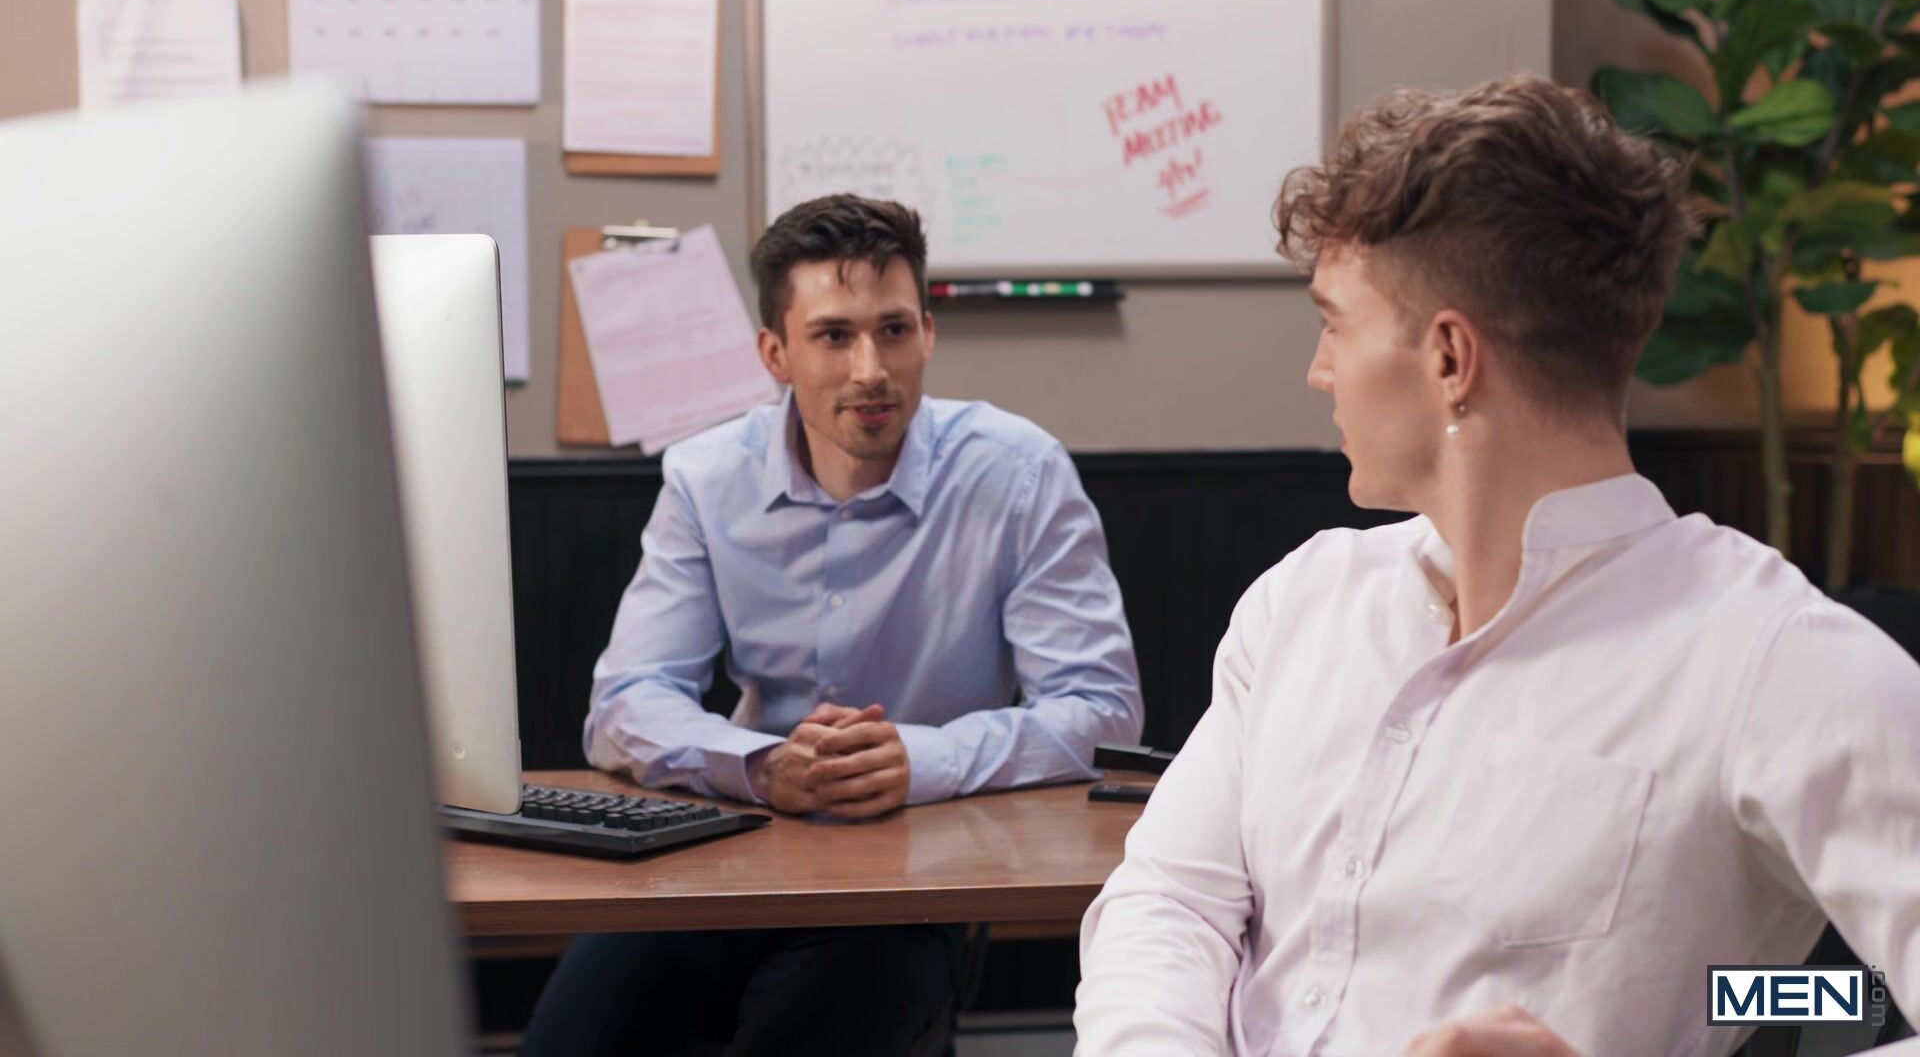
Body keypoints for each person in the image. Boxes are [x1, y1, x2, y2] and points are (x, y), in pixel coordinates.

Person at [1074, 75, 1920, 1056]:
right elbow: (1170, 901)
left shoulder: (1775, 662)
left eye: (1334, 322)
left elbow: (1820, 1001)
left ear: (1449, 359)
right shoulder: (1303, 603)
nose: (1318, 369)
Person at [521, 193, 1143, 1056]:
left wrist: (924, 759)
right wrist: (762, 765)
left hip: (913, 884)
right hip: (728, 859)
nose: (870, 370)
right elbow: (626, 702)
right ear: (774, 354)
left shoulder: (1018, 473)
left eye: (893, 330)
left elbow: (1103, 710)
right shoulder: (707, 478)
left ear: (928, 333)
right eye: (833, 336)